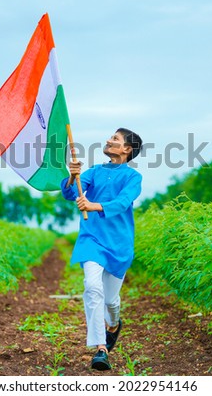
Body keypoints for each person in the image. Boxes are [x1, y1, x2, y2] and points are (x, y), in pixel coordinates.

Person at [60, 128, 143, 371]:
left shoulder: (132, 178)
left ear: (126, 149)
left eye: (115, 139)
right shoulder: (95, 171)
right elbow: (71, 192)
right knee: (92, 287)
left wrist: (93, 204)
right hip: (92, 239)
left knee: (110, 301)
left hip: (119, 245)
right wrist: (71, 175)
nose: (109, 140)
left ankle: (114, 325)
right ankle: (100, 348)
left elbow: (122, 203)